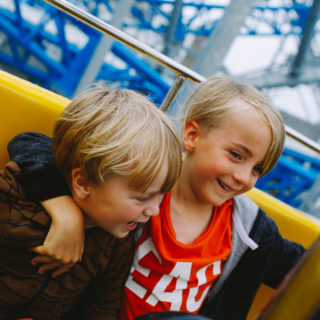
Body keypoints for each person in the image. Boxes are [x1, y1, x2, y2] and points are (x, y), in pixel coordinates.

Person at [6, 76, 305, 320]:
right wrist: (64, 212)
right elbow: (33, 145)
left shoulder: (251, 230)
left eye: (257, 169)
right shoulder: (142, 177)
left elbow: (302, 270)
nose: (243, 176)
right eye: (236, 155)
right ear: (191, 135)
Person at [0, 84, 182, 320]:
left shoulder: (116, 242)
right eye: (143, 197)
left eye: (162, 195)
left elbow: (101, 307)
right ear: (84, 184)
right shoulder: (14, 197)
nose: (155, 210)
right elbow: (27, 142)